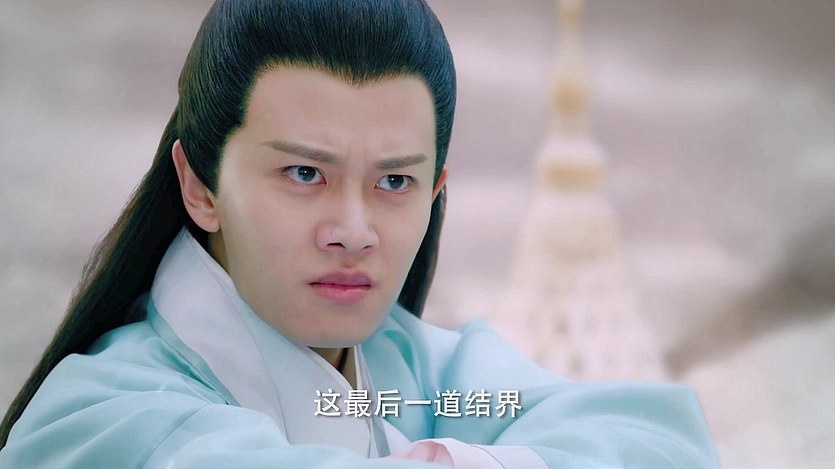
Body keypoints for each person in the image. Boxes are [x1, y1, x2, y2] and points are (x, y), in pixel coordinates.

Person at [0, 1, 720, 467]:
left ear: (436, 190)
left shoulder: (410, 370)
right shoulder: (106, 419)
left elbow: (660, 441)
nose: (353, 231)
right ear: (200, 186)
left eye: (395, 182)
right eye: (304, 173)